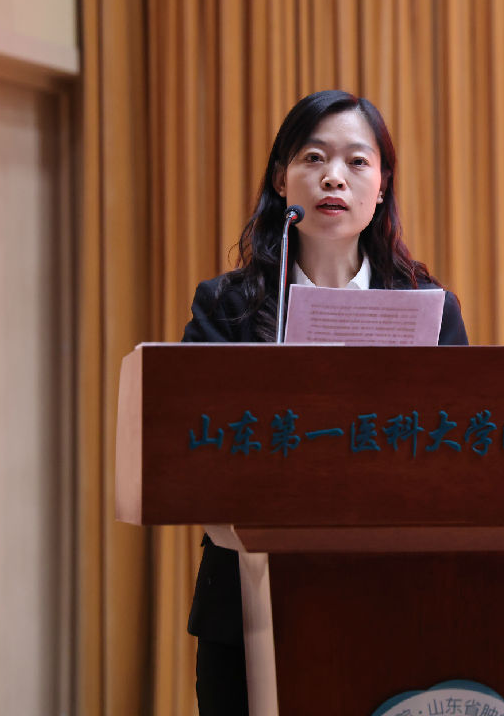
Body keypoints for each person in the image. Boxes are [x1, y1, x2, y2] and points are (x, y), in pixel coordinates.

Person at [180, 90, 469, 715]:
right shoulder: (227, 307)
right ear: (281, 180)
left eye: (357, 162)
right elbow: (192, 450)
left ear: (382, 186)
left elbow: (458, 455)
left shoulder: (429, 309)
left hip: (393, 597)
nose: (334, 177)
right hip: (245, 600)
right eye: (313, 158)